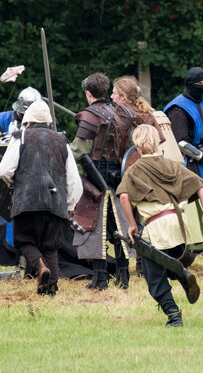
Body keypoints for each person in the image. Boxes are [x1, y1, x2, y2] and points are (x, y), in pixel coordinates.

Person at [117, 124, 203, 327]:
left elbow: (124, 196)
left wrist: (132, 225)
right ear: (156, 142)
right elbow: (199, 184)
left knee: (154, 278)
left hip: (158, 228)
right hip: (179, 225)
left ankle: (173, 314)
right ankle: (183, 275)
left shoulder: (134, 169)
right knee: (170, 263)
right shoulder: (171, 164)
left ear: (137, 144)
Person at [0, 100, 83, 295]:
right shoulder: (61, 140)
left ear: (28, 119)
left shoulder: (21, 137)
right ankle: (50, 289)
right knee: (51, 247)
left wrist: (14, 184)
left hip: (26, 202)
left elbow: (4, 170)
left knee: (23, 241)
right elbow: (74, 180)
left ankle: (40, 266)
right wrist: (69, 205)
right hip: (55, 203)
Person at [71, 73, 136, 290]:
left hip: (97, 182)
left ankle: (100, 279)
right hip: (123, 181)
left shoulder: (90, 116)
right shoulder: (124, 112)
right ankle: (123, 276)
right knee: (121, 225)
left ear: (88, 94)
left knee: (96, 228)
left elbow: (79, 151)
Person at [164, 67, 203, 208]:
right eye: (198, 83)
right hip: (185, 162)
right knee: (191, 204)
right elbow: (180, 142)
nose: (202, 86)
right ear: (190, 84)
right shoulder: (178, 108)